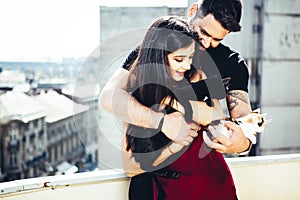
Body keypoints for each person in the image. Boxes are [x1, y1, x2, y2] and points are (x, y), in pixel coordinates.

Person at [99, 0, 255, 199]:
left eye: (217, 39)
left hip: (203, 178)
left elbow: (241, 120)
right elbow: (109, 97)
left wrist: (243, 144)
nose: (207, 44)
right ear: (193, 10)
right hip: (152, 179)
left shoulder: (232, 65)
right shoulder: (158, 46)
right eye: (204, 33)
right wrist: (163, 122)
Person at [122, 16, 232, 199]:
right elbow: (130, 168)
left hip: (213, 184)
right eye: (179, 59)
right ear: (159, 58)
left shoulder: (195, 75)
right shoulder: (140, 97)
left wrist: (171, 100)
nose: (187, 65)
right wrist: (175, 144)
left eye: (190, 57)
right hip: (171, 190)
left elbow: (216, 115)